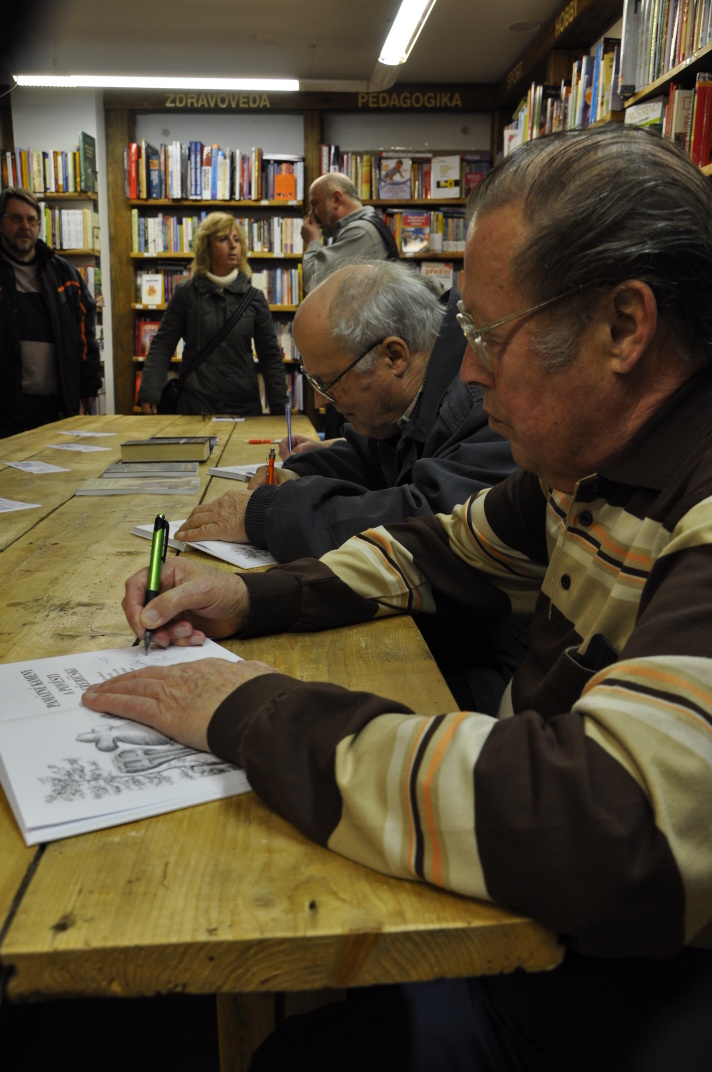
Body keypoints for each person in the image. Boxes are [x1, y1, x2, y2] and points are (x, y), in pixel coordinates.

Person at [84, 126, 712, 1070]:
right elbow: (435, 549)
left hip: (637, 989)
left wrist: (249, 708)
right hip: (562, 934)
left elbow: (610, 824)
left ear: (625, 327)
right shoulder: (591, 467)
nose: (467, 369)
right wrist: (250, 600)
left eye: (489, 337)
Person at [176, 259, 527, 711]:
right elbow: (371, 454)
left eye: (328, 382)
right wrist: (301, 472)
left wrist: (269, 513)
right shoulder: (418, 393)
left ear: (395, 356)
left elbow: (431, 523)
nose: (321, 400)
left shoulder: (482, 398)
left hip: (493, 668)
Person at [137, 212, 288, 416]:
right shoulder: (186, 294)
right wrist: (150, 391)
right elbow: (163, 344)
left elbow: (270, 357)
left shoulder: (254, 298)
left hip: (243, 406)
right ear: (206, 247)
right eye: (223, 239)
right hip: (195, 406)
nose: (233, 245)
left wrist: (280, 409)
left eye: (236, 239)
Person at [0, 186, 102, 438]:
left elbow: (85, 333)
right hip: (5, 410)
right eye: (16, 218)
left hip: (56, 407)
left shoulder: (63, 273)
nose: (25, 226)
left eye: (32, 220)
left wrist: (89, 384)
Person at [301, 173, 399, 292]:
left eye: (315, 204)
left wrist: (313, 241)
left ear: (336, 199)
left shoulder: (360, 232)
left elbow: (313, 282)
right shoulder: (364, 226)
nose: (312, 213)